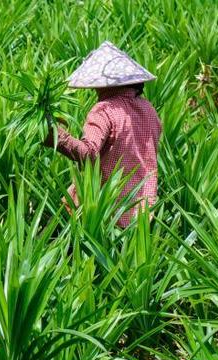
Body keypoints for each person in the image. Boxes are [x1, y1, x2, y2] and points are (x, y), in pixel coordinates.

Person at [43, 41, 162, 227]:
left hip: (101, 210)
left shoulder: (104, 110)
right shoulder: (149, 110)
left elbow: (89, 154)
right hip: (140, 212)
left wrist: (57, 136)